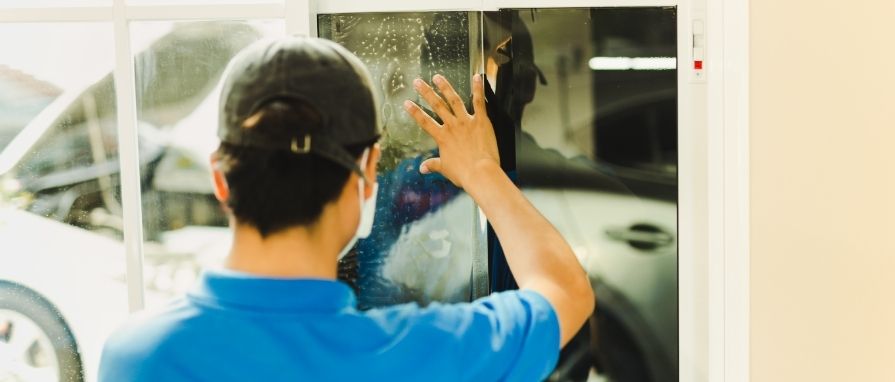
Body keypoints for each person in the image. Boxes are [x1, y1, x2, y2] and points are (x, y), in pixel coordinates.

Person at [98, 36, 594, 381]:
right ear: (367, 175)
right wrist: (483, 170)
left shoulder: (138, 358)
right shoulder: (420, 354)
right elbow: (565, 290)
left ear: (221, 178)